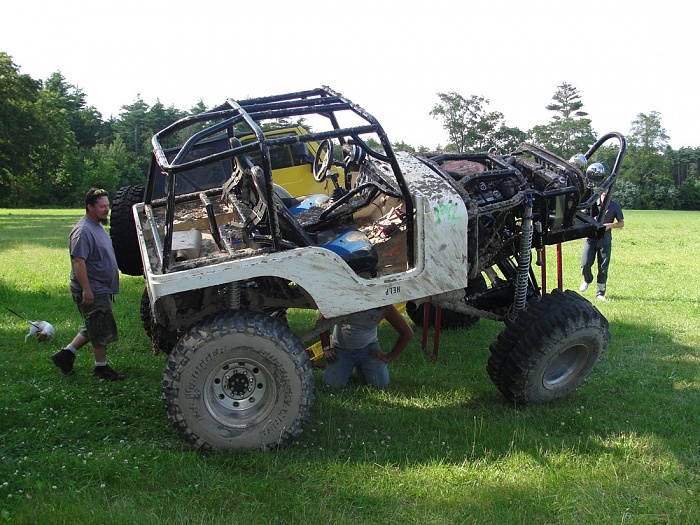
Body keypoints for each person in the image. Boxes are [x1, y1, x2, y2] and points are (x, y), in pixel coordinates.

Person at [51, 188, 125, 381]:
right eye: (102, 206)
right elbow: (78, 261)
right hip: (92, 288)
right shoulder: (83, 231)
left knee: (94, 323)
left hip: (99, 286)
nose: (106, 210)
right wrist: (87, 289)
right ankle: (101, 368)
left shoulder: (97, 225)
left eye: (107, 206)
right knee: (99, 327)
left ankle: (65, 355)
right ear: (90, 206)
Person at [320, 305, 413, 389]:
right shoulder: (342, 300)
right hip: (341, 350)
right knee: (331, 386)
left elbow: (407, 332)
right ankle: (351, 369)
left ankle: (362, 370)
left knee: (380, 385)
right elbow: (322, 319)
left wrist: (389, 356)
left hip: (369, 350)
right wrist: (326, 348)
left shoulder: (384, 308)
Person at [580, 189, 624, 301]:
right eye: (604, 191)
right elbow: (582, 217)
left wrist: (610, 225)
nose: (606, 193)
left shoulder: (615, 206)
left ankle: (600, 292)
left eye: (609, 191)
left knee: (603, 266)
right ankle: (587, 279)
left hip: (605, 240)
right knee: (585, 263)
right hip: (590, 239)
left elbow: (621, 223)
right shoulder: (592, 204)